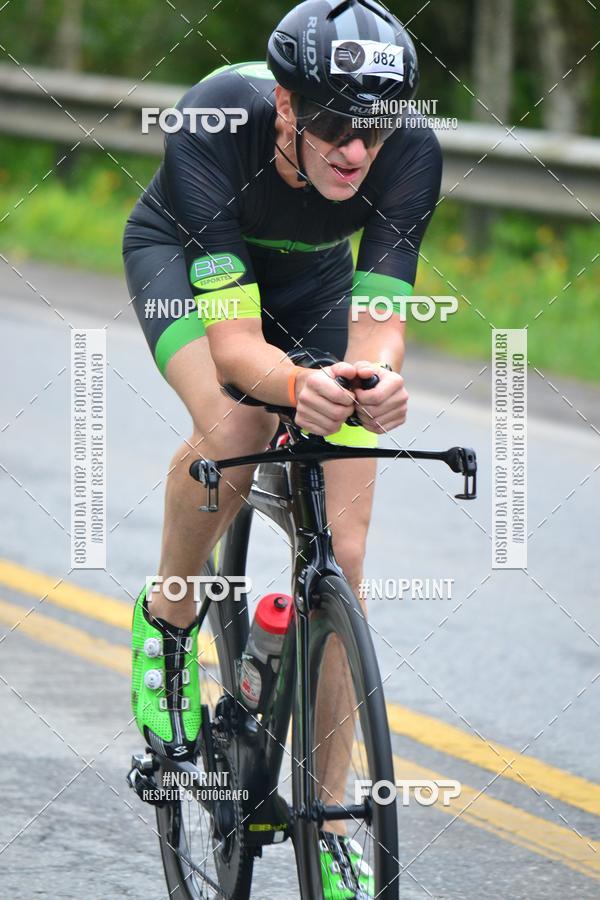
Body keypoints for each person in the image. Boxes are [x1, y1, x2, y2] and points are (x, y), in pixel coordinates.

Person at [124, 0, 441, 895]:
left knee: (341, 552)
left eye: (374, 128)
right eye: (337, 123)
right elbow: (234, 353)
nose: (357, 150)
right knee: (238, 425)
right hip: (187, 274)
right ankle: (169, 624)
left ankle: (331, 820)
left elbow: (379, 326)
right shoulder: (215, 121)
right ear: (289, 108)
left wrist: (372, 382)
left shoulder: (409, 153)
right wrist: (298, 386)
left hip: (310, 288)